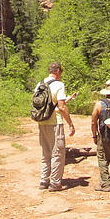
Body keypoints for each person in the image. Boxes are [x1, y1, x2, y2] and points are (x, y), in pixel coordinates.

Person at [37, 62, 75, 192]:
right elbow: (62, 107)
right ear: (58, 71)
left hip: (42, 122)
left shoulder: (40, 84)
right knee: (57, 153)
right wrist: (70, 123)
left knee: (45, 152)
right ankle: (55, 183)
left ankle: (44, 180)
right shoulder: (59, 85)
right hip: (55, 123)